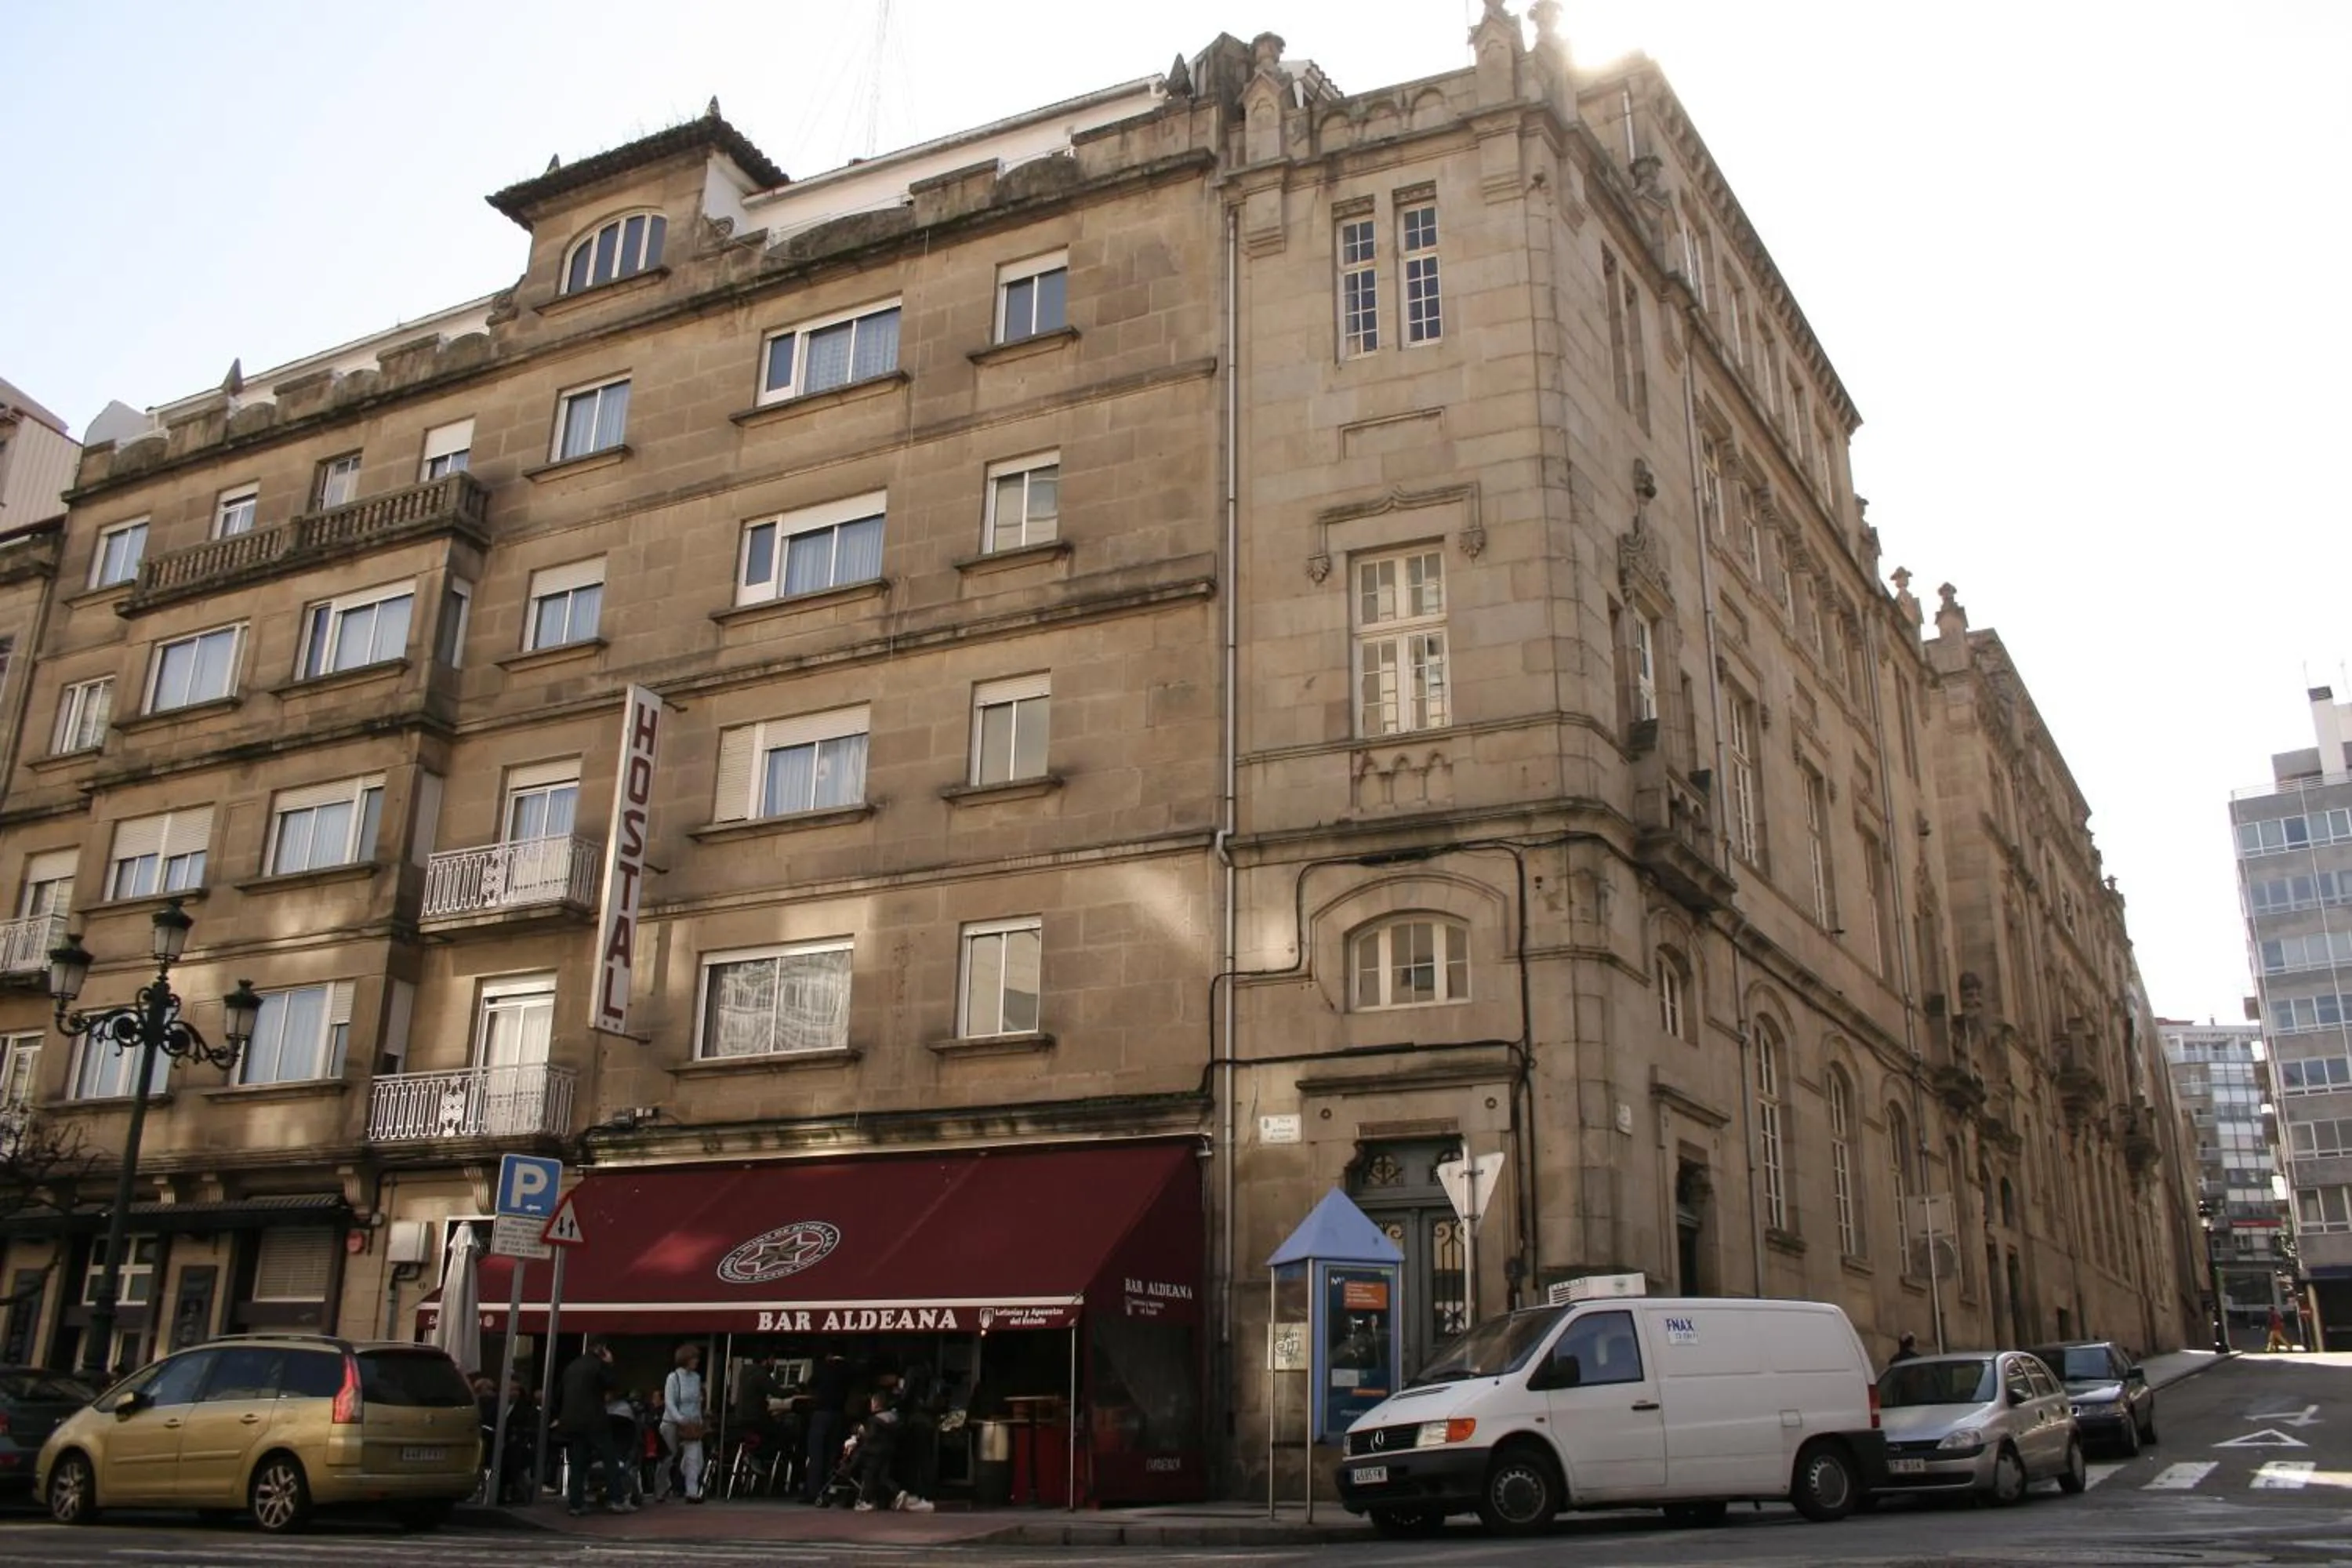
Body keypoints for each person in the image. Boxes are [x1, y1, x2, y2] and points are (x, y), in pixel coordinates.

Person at [557, 1338, 637, 1516]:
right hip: (593, 1419)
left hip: (572, 1419)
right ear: (601, 1349)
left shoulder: (572, 1366)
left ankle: (576, 1503)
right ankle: (616, 1499)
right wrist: (610, 1364)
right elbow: (612, 1383)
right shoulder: (598, 1365)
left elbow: (561, 1392)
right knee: (610, 1458)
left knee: (578, 1461)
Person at [849, 1389, 934, 1512]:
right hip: (888, 1452)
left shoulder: (874, 1421)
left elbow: (870, 1438)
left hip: (873, 1454)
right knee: (884, 1477)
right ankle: (898, 1493)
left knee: (870, 1476)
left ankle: (866, 1500)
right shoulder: (894, 1418)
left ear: (876, 1404)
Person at [662, 1342, 710, 1503]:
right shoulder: (673, 1378)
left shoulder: (696, 1378)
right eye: (694, 1358)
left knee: (693, 1457)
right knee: (670, 1456)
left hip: (691, 1425)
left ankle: (692, 1492)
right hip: (673, 1423)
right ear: (685, 1359)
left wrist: (699, 1421)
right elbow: (669, 1402)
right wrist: (680, 1419)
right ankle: (661, 1488)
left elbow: (697, 1402)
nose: (696, 1361)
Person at [802, 1352, 852, 1503]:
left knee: (816, 1454)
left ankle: (813, 1492)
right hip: (838, 1414)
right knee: (831, 1454)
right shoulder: (847, 1369)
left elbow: (810, 1384)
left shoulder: (823, 1368)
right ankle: (828, 1489)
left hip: (821, 1412)